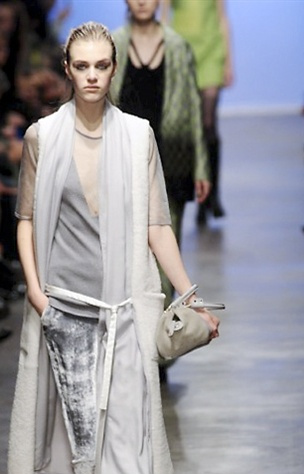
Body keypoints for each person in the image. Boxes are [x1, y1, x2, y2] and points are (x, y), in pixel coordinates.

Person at [8, 21, 220, 474]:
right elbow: (26, 219)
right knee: (87, 455)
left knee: (123, 449)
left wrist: (189, 297)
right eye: (83, 66)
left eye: (102, 65)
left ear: (113, 69)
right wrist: (36, 293)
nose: (93, 76)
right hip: (66, 313)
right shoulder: (43, 137)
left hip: (125, 313)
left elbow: (156, 225)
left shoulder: (136, 136)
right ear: (67, 69)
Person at [111, 0, 210, 305]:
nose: (142, 1)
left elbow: (193, 106)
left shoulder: (178, 46)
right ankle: (133, 316)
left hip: (173, 156)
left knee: (168, 239)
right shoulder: (113, 45)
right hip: (124, 157)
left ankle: (163, 319)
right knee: (126, 242)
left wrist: (201, 166)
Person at [162, 0, 234, 224]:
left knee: (208, 124)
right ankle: (200, 192)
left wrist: (228, 61)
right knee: (189, 129)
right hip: (182, 51)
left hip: (211, 51)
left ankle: (213, 195)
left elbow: (222, 18)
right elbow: (164, 17)